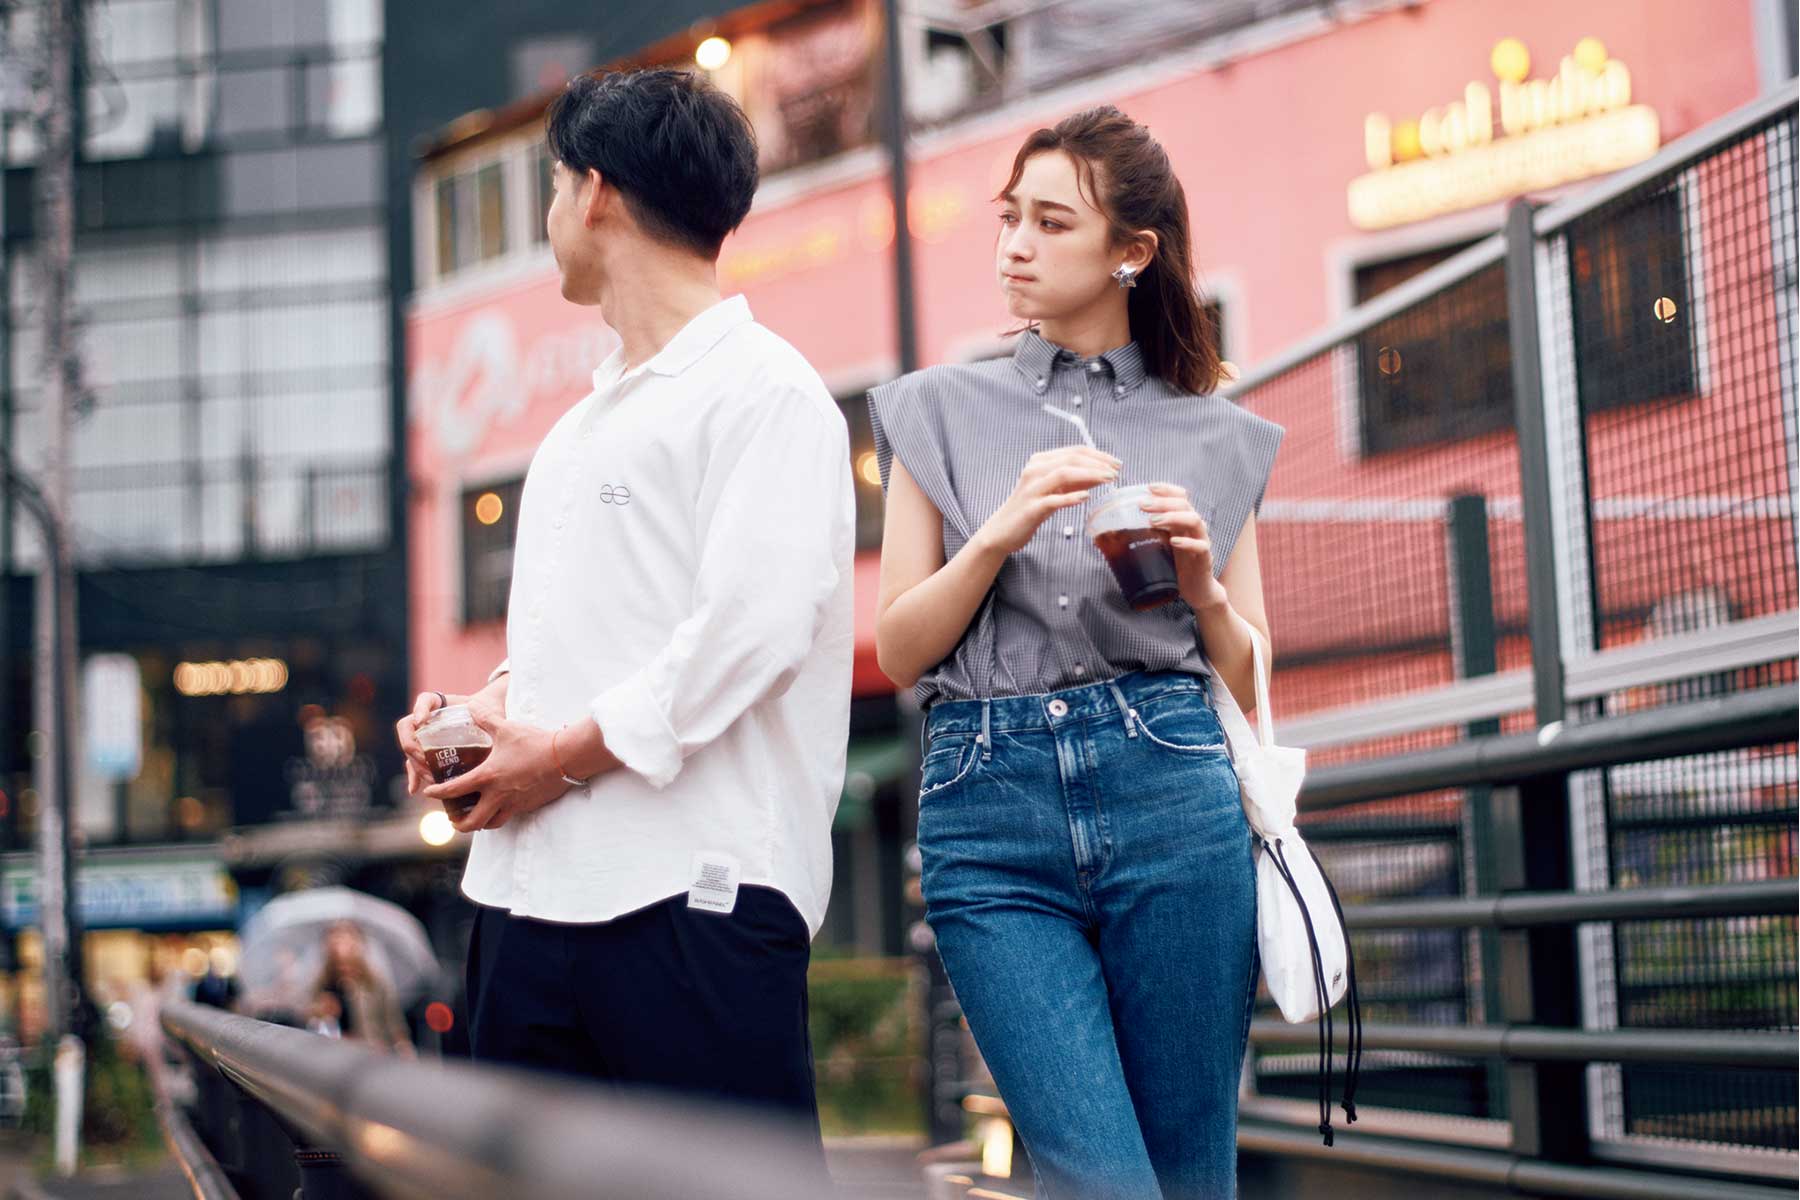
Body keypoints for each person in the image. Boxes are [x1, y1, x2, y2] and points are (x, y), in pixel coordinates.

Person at [394, 68, 853, 1153]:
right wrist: (486, 716)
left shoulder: (766, 389)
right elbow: (594, 634)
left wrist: (554, 757)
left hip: (694, 901)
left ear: (593, 193)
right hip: (527, 904)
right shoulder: (580, 426)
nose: (551, 216)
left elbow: (754, 630)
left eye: (551, 188)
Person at [870, 106, 1284, 1199]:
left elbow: (1248, 672)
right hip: (987, 806)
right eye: (1011, 218)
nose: (1014, 244)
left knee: (1191, 1175)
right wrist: (997, 530)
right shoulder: (936, 412)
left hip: (1172, 793)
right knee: (1098, 1179)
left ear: (1132, 252)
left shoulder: (1218, 432)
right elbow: (902, 647)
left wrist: (1199, 586)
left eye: (1052, 223)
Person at [307, 920, 413, 1056]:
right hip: (334, 1055)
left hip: (371, 1054)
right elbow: (308, 1016)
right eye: (336, 944)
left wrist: (403, 1047)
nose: (342, 952)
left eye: (348, 944)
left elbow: (394, 1023)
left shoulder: (375, 981)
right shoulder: (322, 981)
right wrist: (320, 1010)